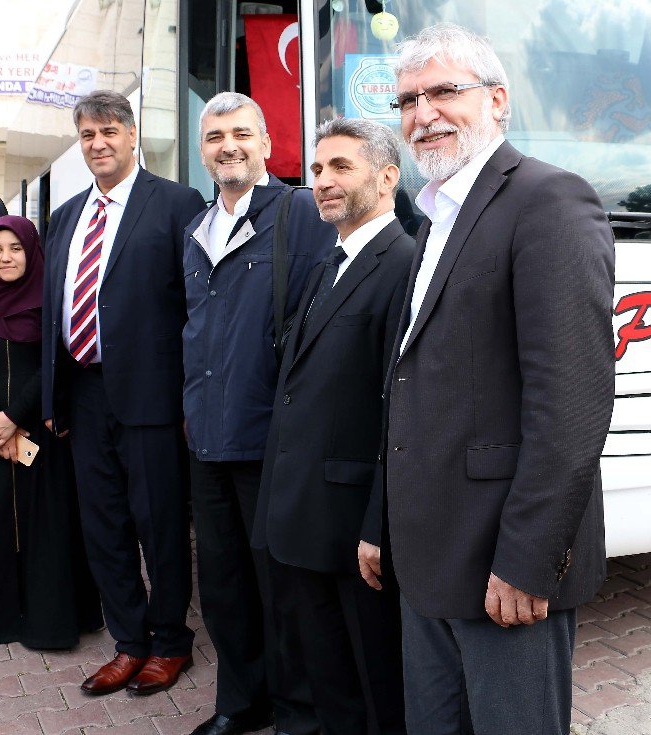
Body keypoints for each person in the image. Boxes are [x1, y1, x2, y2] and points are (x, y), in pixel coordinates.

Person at [360, 23, 615, 735]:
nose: (423, 113)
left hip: (505, 571)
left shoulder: (550, 201)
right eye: (408, 100)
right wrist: (381, 523)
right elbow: (409, 388)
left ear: (497, 100)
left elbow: (572, 404)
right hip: (427, 561)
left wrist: (530, 561)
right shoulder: (434, 216)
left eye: (445, 91)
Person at [42, 90, 206, 695]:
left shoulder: (176, 203)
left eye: (109, 131)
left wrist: (191, 397)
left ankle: (170, 643)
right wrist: (53, 399)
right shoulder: (63, 217)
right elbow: (52, 312)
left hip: (151, 395)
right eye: (87, 134)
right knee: (102, 524)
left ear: (133, 135)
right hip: (84, 395)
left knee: (159, 524)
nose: (98, 143)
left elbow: (194, 305)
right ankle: (129, 641)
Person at [254, 118, 413, 735]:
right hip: (302, 514)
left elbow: (398, 409)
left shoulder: (403, 263)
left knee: (373, 686)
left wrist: (378, 522)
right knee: (327, 677)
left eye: (341, 167)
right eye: (317, 169)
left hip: (355, 529)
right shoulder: (331, 263)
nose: (322, 181)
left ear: (387, 178)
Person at [182, 92, 334, 735]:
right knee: (222, 586)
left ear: (268, 143)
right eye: (215, 136)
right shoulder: (196, 230)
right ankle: (241, 703)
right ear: (202, 150)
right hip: (208, 439)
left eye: (241, 133)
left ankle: (300, 712)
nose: (228, 146)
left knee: (286, 589)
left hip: (271, 439)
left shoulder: (301, 214)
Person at [0, 214, 102, 648]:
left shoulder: (51, 302)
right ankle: (5, 617)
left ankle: (49, 621)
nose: (5, 257)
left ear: (32, 251)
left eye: (15, 248)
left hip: (39, 433)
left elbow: (50, 367)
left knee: (46, 529)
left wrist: (12, 418)